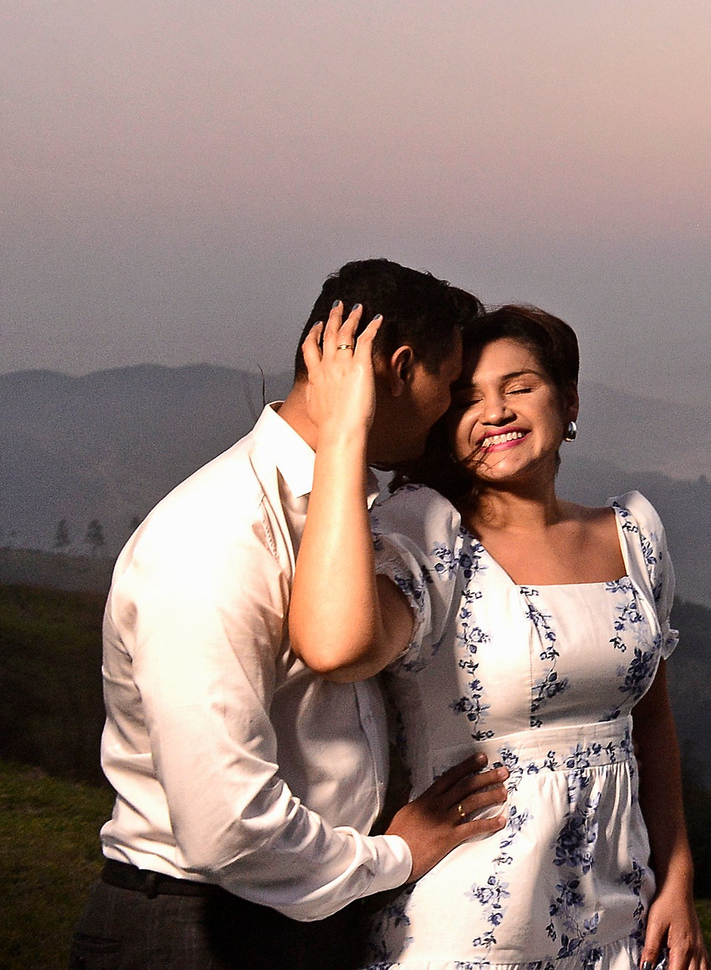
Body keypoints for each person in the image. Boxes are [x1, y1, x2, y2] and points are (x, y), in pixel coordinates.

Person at [77, 260, 510, 970]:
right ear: (400, 367)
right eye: (451, 381)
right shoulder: (217, 533)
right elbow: (227, 827)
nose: (453, 405)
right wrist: (395, 856)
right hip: (201, 930)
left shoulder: (347, 511)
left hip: (302, 912)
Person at [288, 302, 706, 970]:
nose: (497, 411)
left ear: (567, 400)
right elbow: (342, 646)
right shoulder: (428, 534)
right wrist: (344, 435)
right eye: (468, 397)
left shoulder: (633, 537)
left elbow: (650, 724)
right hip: (474, 917)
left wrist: (678, 880)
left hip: (622, 907)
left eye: (520, 385)